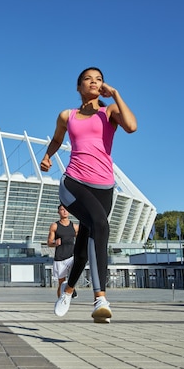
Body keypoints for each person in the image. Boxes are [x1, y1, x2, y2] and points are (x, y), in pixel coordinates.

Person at [40, 67, 137, 323]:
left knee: (83, 250)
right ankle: (100, 298)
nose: (94, 82)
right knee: (101, 225)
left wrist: (115, 94)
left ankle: (67, 291)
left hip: (104, 187)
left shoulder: (110, 111)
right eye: (88, 79)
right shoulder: (67, 115)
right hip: (74, 182)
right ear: (78, 87)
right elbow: (57, 140)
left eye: (99, 80)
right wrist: (48, 156)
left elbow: (132, 126)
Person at [48, 203, 79, 299]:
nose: (65, 211)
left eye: (66, 209)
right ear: (59, 212)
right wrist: (55, 243)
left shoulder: (75, 226)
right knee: (61, 283)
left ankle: (71, 287)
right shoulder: (54, 226)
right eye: (62, 210)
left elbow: (80, 241)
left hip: (72, 256)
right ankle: (60, 301)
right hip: (60, 257)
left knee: (75, 272)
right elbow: (49, 243)